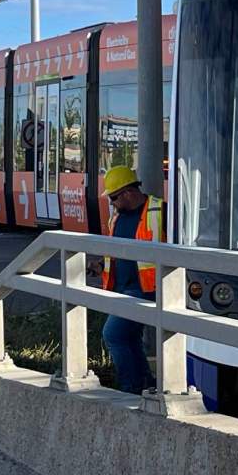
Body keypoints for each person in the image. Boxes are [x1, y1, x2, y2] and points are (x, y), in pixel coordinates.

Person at [98, 165, 164, 394]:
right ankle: (145, 382)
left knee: (113, 335)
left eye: (114, 198)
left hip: (147, 288)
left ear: (128, 193)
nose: (112, 203)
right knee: (130, 337)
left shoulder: (159, 210)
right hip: (123, 288)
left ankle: (130, 387)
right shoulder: (117, 217)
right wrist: (101, 266)